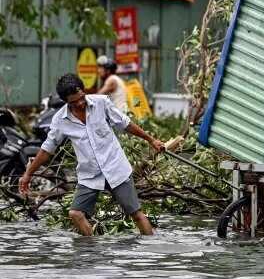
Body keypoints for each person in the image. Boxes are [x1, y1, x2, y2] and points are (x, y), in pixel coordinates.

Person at [19, 74, 165, 236]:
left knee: (136, 214)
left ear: (84, 91)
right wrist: (28, 174)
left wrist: (151, 140)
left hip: (116, 168)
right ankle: (92, 252)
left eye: (81, 98)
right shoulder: (60, 120)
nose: (80, 103)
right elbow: (46, 150)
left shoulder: (101, 103)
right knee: (75, 214)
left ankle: (150, 249)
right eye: (74, 102)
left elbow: (126, 124)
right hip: (90, 175)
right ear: (66, 102)